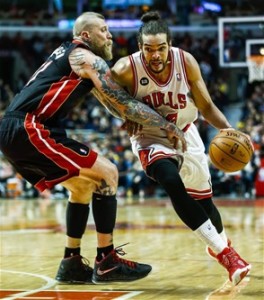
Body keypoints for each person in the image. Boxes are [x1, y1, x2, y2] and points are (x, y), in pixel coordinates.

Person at [0, 12, 187, 285]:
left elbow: (111, 103)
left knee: (82, 187)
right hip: (29, 127)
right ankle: (107, 260)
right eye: (104, 30)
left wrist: (128, 117)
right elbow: (123, 102)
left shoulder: (73, 56)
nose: (110, 35)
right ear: (86, 35)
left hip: (20, 128)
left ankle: (71, 262)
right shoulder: (86, 58)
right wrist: (167, 126)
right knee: (109, 173)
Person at [109, 11, 252, 286]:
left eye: (161, 48)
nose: (155, 55)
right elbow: (112, 100)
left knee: (205, 204)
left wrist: (227, 130)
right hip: (151, 138)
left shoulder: (185, 62)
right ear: (140, 47)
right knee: (171, 181)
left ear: (169, 45)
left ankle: (218, 244)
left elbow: (206, 106)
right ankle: (227, 255)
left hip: (187, 134)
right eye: (148, 49)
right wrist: (125, 116)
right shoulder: (125, 69)